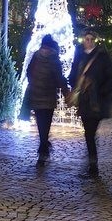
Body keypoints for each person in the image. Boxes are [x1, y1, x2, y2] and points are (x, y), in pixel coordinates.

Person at [67, 30, 112, 179]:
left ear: (95, 40)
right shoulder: (79, 56)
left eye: (91, 39)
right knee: (89, 133)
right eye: (86, 39)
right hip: (84, 101)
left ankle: (93, 167)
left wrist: (99, 90)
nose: (88, 41)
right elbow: (72, 75)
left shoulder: (102, 57)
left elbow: (111, 79)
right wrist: (78, 85)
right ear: (83, 40)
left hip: (97, 102)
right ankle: (92, 164)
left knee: (90, 133)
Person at [25, 34, 68, 165]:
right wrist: (65, 90)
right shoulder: (54, 58)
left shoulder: (36, 56)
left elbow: (28, 72)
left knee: (40, 124)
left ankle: (43, 148)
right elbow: (59, 77)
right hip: (48, 96)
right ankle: (43, 151)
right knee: (46, 124)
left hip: (36, 95)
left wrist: (34, 83)